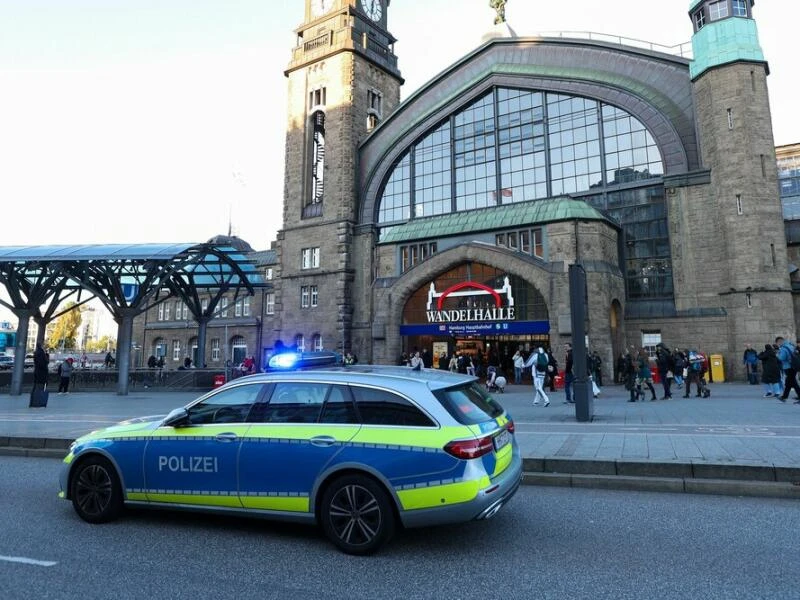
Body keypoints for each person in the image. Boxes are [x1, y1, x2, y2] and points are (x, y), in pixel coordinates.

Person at [775, 336, 800, 403]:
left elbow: (782, 358)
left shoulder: (783, 348)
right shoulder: (791, 345)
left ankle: (785, 397)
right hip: (794, 366)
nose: (778, 345)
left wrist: (777, 355)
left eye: (777, 343)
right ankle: (784, 397)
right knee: (789, 382)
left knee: (793, 383)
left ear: (779, 341)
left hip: (788, 367)